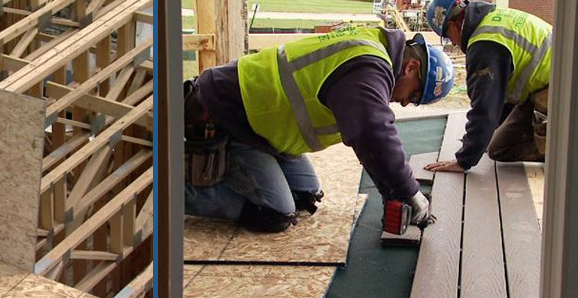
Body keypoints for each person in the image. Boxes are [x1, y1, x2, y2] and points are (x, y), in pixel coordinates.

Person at [183, 26, 455, 234]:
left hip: (264, 126)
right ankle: (169, 193)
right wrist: (409, 191)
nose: (406, 102)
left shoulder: (374, 49)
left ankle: (241, 172)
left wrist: (392, 192)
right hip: (228, 113)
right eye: (414, 94)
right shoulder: (369, 66)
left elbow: (369, 145)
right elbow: (372, 133)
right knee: (275, 213)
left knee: (306, 196)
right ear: (411, 66)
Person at [419, 0, 554, 174]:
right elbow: (499, 100)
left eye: (447, 36)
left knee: (507, 147)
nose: (452, 42)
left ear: (454, 25)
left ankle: (561, 149)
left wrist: (464, 160)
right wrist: (482, 139)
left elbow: (485, 108)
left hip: (560, 86)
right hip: (544, 81)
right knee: (497, 147)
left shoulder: (484, 46)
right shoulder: (490, 19)